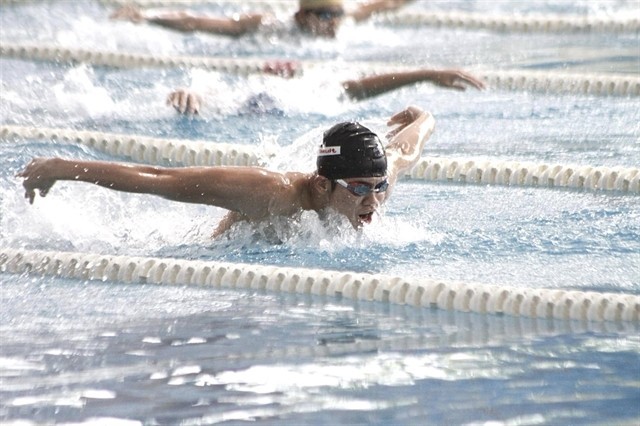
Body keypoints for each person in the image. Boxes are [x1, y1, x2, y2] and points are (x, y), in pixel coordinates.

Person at [18, 106, 433, 237]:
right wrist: (61, 167)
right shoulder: (268, 193)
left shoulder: (375, 182)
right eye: (361, 189)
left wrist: (422, 115)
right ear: (322, 184)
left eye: (379, 187)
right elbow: (161, 180)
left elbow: (407, 148)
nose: (374, 201)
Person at [167, 62, 485, 114]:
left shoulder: (308, 92)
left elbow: (358, 88)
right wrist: (189, 93)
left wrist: (425, 75)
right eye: (323, 14)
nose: (330, 23)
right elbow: (202, 97)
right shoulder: (250, 92)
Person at [110, 0, 413, 38]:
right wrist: (147, 17)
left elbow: (390, 3)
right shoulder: (272, 25)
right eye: (324, 15)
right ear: (301, 16)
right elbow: (197, 22)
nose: (332, 22)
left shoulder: (350, 19)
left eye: (336, 15)